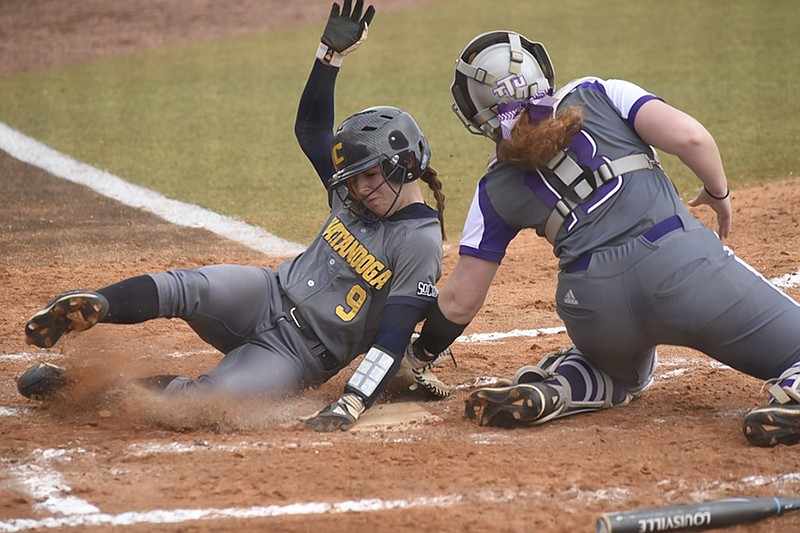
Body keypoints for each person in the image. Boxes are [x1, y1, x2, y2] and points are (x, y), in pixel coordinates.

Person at [17, 0, 452, 432]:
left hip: (299, 354)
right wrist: (329, 57)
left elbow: (393, 338)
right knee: (187, 287)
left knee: (204, 402)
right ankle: (97, 304)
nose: (357, 188)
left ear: (406, 165)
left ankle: (81, 387)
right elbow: (311, 131)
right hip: (266, 293)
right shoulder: (354, 192)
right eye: (353, 179)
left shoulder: (418, 241)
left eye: (369, 176)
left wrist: (351, 404)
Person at [409, 31, 800, 447]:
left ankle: (559, 387)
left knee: (617, 375)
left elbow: (460, 300)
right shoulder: (595, 92)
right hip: (683, 272)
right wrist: (718, 193)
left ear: (474, 112)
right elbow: (692, 138)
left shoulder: (493, 185)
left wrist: (418, 354)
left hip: (593, 308)